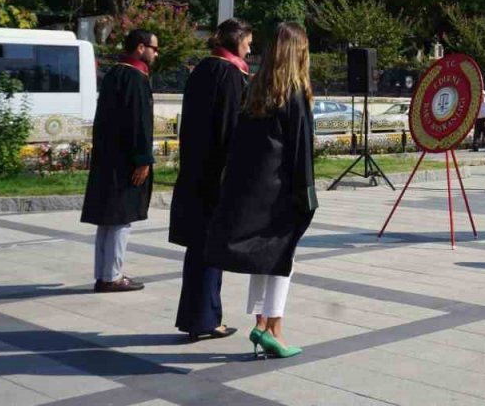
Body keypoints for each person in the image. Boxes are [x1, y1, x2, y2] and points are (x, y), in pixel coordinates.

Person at [205, 22, 317, 359]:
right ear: (299, 52)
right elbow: (301, 152)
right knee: (283, 260)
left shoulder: (255, 90)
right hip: (280, 192)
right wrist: (307, 196)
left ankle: (260, 324)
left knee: (263, 260)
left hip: (252, 189)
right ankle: (274, 330)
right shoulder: (295, 93)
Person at [169, 18, 252, 340]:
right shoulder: (229, 74)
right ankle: (205, 318)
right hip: (216, 174)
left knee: (198, 248)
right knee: (208, 247)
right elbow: (230, 131)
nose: (250, 47)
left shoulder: (202, 70)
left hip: (195, 169)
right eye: (248, 41)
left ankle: (196, 316)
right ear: (238, 39)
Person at [81, 29, 158, 293]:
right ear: (140, 47)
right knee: (120, 219)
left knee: (108, 220)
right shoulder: (135, 77)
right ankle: (112, 276)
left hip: (108, 156)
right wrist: (143, 159)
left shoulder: (115, 73)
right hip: (125, 160)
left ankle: (104, 273)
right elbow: (139, 123)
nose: (156, 53)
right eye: (154, 48)